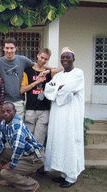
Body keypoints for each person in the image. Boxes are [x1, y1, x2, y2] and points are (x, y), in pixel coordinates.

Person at [44, 47, 85, 188]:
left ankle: (72, 176)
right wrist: (58, 88)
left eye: (68, 57)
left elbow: (69, 89)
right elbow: (48, 89)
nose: (65, 60)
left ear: (74, 59)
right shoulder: (58, 75)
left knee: (70, 143)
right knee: (60, 143)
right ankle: (63, 174)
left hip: (71, 116)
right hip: (58, 116)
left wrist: (58, 89)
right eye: (63, 57)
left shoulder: (78, 73)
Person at [0, 102, 45, 192]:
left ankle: (32, 185)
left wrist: (12, 164)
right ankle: (15, 180)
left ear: (15, 111)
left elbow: (18, 147)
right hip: (24, 154)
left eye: (9, 111)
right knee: (1, 153)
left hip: (35, 157)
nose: (5, 114)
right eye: (3, 112)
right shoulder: (3, 123)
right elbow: (0, 141)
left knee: (5, 173)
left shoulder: (16, 125)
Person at [20, 48, 63, 145]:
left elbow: (63, 69)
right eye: (42, 57)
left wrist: (47, 71)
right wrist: (37, 82)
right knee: (28, 138)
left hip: (44, 110)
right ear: (38, 55)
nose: (43, 60)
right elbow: (22, 90)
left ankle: (37, 159)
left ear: (48, 60)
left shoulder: (49, 72)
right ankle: (28, 159)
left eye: (46, 59)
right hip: (31, 109)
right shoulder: (28, 71)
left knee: (39, 140)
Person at [0, 37, 35, 120]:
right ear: (3, 48)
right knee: (4, 127)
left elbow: (37, 66)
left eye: (12, 48)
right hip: (4, 101)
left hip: (19, 101)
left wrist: (53, 69)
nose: (9, 51)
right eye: (7, 48)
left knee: (18, 127)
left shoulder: (23, 60)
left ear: (16, 48)